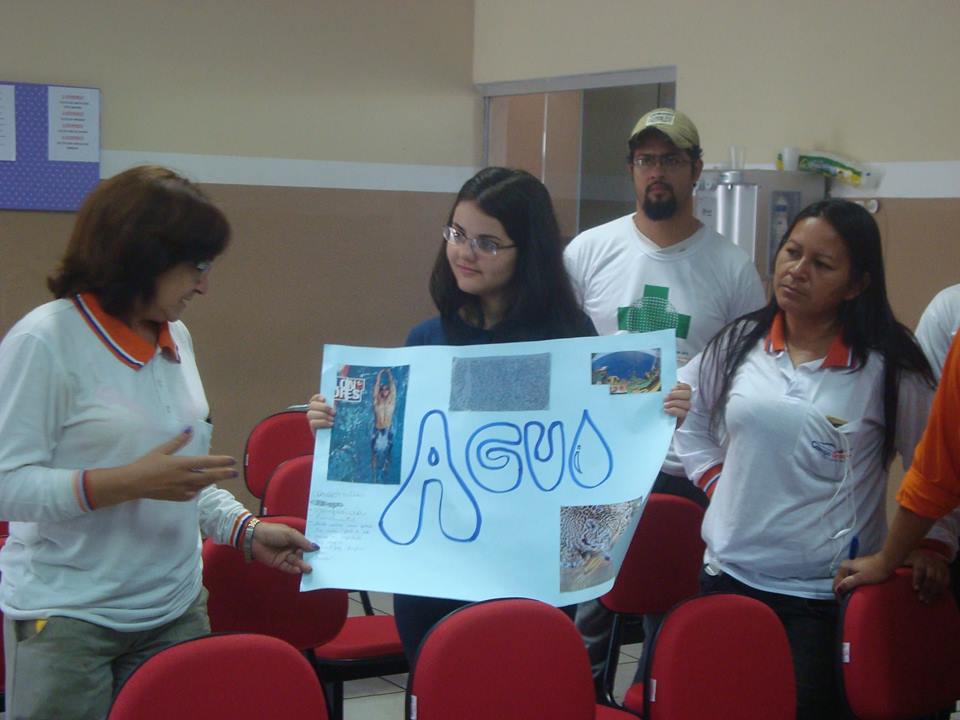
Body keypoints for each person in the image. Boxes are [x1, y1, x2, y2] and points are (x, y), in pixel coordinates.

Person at [308, 166, 690, 662]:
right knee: (443, 689)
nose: (464, 252)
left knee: (521, 689)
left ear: (527, 253)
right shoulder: (427, 340)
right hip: (434, 575)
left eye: (487, 243)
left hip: (530, 577)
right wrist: (341, 424)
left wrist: (662, 412)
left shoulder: (568, 340)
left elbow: (618, 427)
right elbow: (388, 456)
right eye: (457, 234)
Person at [0, 165, 316, 720]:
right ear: (141, 258)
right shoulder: (44, 341)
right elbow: (7, 486)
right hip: (69, 622)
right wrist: (123, 483)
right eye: (196, 267)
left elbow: (182, 475)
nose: (204, 285)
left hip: (175, 609)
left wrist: (244, 531)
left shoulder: (177, 335)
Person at [674, 199, 957, 720]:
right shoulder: (740, 341)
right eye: (791, 252)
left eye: (821, 264)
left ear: (856, 285)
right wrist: (717, 482)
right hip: (725, 577)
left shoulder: (890, 367)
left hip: (820, 598)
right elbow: (686, 417)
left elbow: (937, 463)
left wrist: (931, 545)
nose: (797, 271)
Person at [563, 107, 765, 691]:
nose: (657, 172)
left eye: (671, 160)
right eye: (646, 159)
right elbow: (562, 355)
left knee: (672, 610)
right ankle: (580, 700)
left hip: (684, 468)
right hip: (598, 463)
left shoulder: (732, 268)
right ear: (631, 168)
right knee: (587, 602)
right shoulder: (588, 251)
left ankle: (652, 698)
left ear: (695, 170)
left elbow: (748, 373)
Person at [371, 368, 396, 482]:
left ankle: (386, 471)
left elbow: (393, 387)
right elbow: (376, 387)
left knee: (388, 453)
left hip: (388, 430)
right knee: (374, 453)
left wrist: (389, 374)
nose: (384, 390)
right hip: (377, 430)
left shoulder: (392, 402)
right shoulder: (376, 402)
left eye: (386, 389)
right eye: (382, 389)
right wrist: (380, 375)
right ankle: (374, 475)